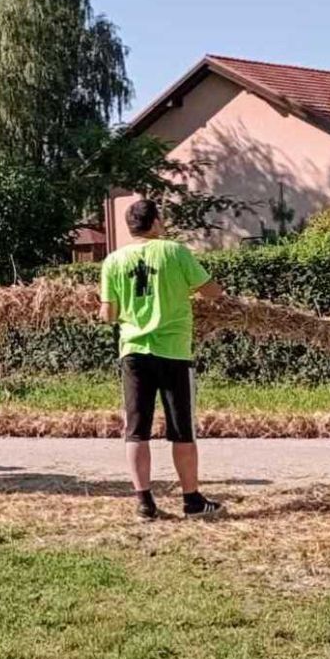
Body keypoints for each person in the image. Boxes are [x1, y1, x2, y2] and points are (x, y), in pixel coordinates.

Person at [98, 199, 225, 520]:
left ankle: (144, 502)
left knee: (136, 429)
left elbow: (108, 314)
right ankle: (192, 500)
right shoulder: (175, 252)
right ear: (154, 222)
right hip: (173, 352)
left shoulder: (112, 261)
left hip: (133, 352)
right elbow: (211, 292)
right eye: (162, 218)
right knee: (182, 430)